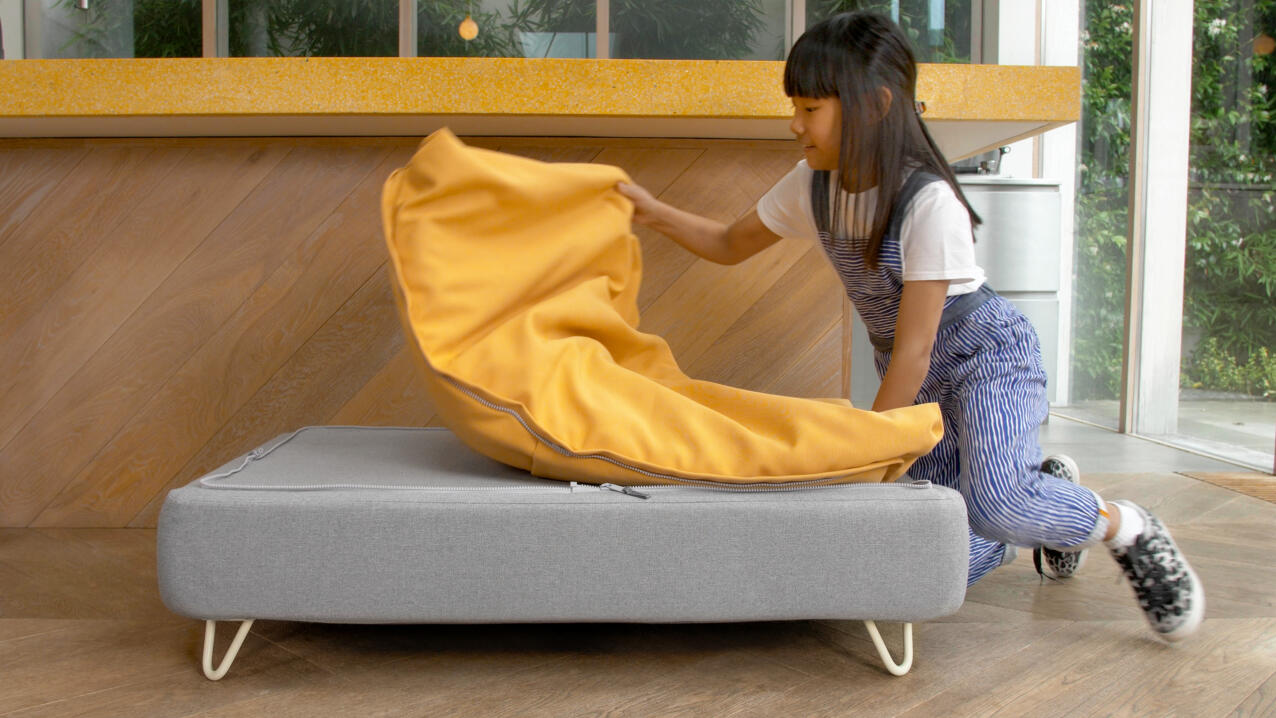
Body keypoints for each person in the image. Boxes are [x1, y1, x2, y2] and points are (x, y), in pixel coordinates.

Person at [616, 10, 1204, 642]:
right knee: (931, 560)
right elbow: (730, 243)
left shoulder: (927, 202)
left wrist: (872, 449)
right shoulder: (815, 183)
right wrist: (652, 212)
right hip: (915, 369)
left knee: (998, 504)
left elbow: (917, 348)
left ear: (874, 105)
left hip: (985, 358)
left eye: (810, 108)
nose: (794, 123)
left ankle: (1128, 526)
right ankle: (1042, 495)